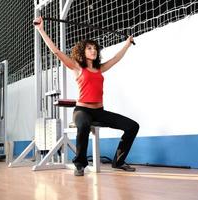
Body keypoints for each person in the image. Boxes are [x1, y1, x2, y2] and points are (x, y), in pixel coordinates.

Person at [33, 16, 139, 176]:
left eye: (95, 48)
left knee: (132, 126)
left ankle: (119, 161)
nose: (93, 50)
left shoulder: (100, 68)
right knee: (83, 126)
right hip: (82, 110)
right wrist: (41, 29)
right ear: (82, 52)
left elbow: (116, 58)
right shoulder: (77, 67)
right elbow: (56, 51)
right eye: (89, 48)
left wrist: (127, 44)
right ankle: (80, 164)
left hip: (100, 111)